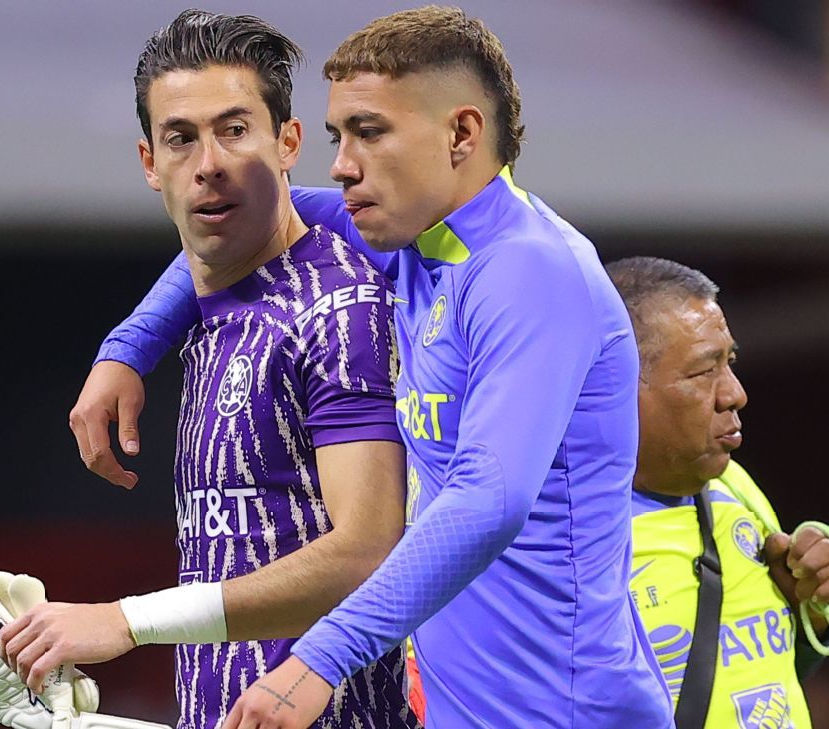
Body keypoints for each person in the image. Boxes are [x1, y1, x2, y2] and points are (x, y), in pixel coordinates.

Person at [73, 7, 674, 728]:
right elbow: (237, 214)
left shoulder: (530, 271)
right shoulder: (418, 247)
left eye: (370, 132)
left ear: (461, 134)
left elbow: (488, 502)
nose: (342, 165)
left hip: (565, 713)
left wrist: (320, 659)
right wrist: (128, 349)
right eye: (338, 136)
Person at [0, 10, 419, 729]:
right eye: (181, 138)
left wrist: (124, 620)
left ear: (288, 143)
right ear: (150, 162)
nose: (209, 163)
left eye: (235, 130)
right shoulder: (217, 314)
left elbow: (366, 556)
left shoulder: (337, 310)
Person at [606, 256, 829, 729]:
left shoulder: (731, 485)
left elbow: (751, 678)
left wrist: (809, 610)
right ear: (615, 385)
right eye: (703, 372)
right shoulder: (555, 534)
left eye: (729, 362)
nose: (735, 394)